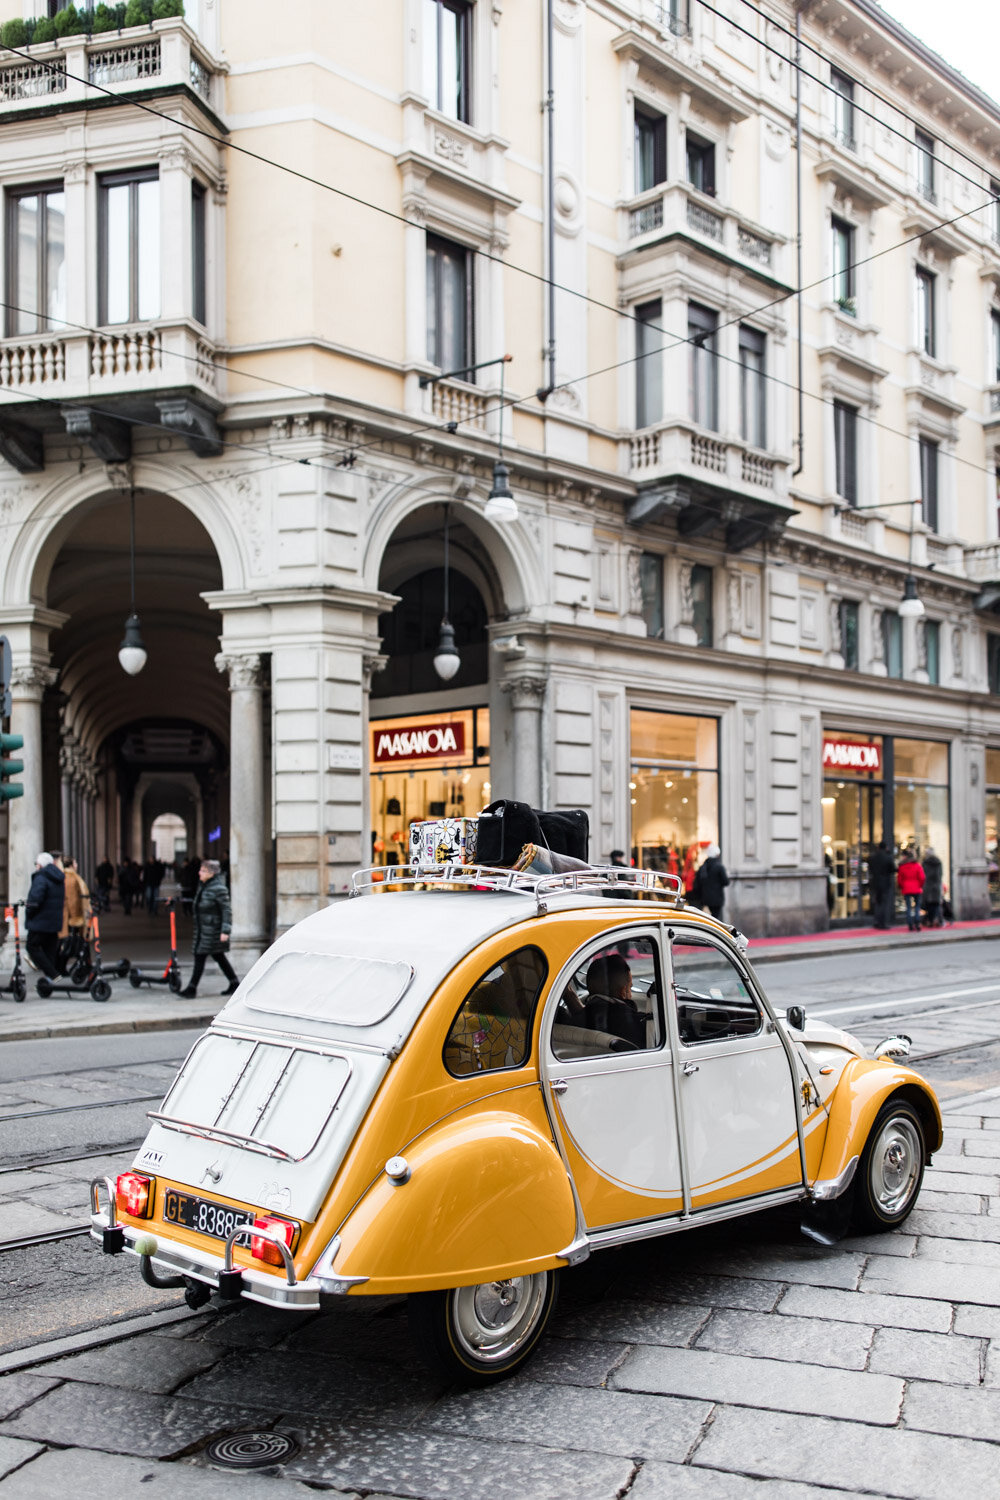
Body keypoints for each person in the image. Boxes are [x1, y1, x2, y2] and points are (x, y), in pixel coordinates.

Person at [181, 859, 240, 997]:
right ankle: (234, 983)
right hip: (204, 928)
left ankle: (191, 988)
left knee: (200, 956)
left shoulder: (219, 889)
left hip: (212, 930)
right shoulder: (204, 886)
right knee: (218, 956)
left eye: (203, 870)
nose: (199, 873)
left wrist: (225, 931)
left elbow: (226, 910)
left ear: (211, 873)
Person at [583, 953, 644, 1047]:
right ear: (623, 991)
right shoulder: (635, 1024)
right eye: (630, 988)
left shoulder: (579, 1018)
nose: (631, 995)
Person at [24, 853, 65, 981]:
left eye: (36, 864)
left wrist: (29, 913)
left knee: (31, 946)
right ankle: (49, 982)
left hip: (40, 921)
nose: (36, 866)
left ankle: (53, 974)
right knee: (49, 952)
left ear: (40, 864)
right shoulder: (58, 878)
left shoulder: (41, 877)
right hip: (54, 921)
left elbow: (35, 900)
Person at [59, 855, 91, 971]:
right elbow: (72, 900)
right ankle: (84, 965)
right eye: (75, 863)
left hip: (71, 916)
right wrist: (76, 917)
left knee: (74, 942)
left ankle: (85, 964)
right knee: (74, 942)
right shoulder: (71, 878)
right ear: (71, 865)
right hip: (72, 917)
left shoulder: (69, 877)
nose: (77, 865)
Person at [691, 844, 729, 921]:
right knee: (716, 919)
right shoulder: (719, 867)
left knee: (710, 918)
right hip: (716, 899)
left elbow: (697, 883)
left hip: (705, 898)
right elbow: (726, 882)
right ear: (717, 854)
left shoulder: (703, 867)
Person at [869, 841, 896, 929]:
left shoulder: (873, 857)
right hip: (885, 882)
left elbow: (871, 869)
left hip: (875, 882)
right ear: (886, 847)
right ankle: (882, 923)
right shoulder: (888, 857)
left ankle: (876, 921)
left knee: (877, 902)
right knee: (884, 903)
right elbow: (893, 869)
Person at [897, 848, 925, 933]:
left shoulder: (902, 866)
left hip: (906, 888)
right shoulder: (917, 865)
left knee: (908, 907)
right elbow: (922, 877)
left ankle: (910, 924)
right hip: (916, 888)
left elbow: (899, 879)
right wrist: (920, 885)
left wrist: (902, 887)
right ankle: (917, 922)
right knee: (917, 907)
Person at [921, 847, 944, 928]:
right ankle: (937, 920)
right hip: (936, 886)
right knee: (936, 904)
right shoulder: (938, 862)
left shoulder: (925, 863)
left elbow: (923, 875)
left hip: (928, 886)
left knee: (929, 905)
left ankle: (930, 921)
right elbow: (940, 875)